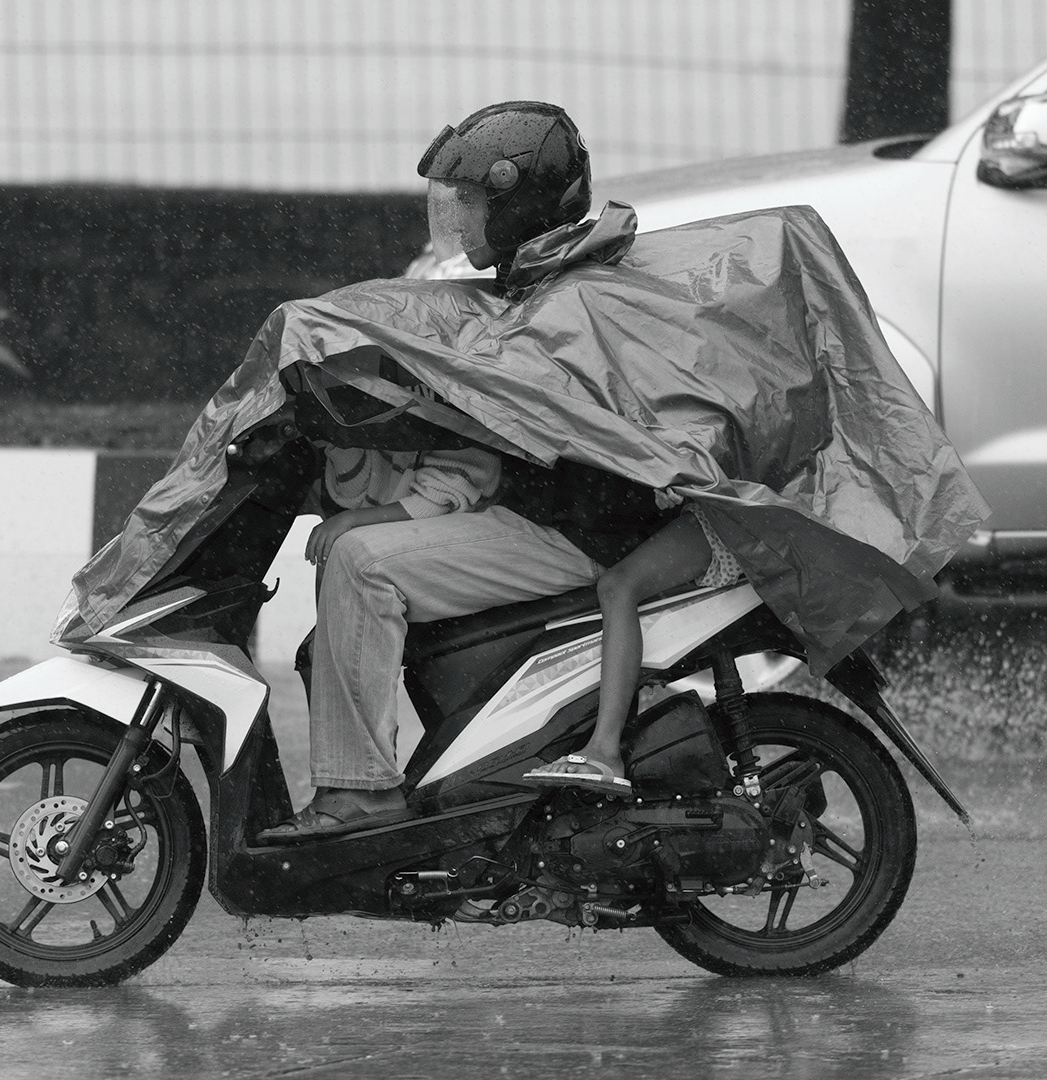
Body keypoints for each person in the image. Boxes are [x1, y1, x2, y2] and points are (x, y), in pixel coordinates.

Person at [256, 101, 738, 843]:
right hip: (546, 516)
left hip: (580, 531)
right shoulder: (539, 284)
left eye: (476, 204)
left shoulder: (573, 295)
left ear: (520, 206)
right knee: (344, 595)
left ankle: (358, 798)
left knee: (359, 561)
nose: (461, 222)